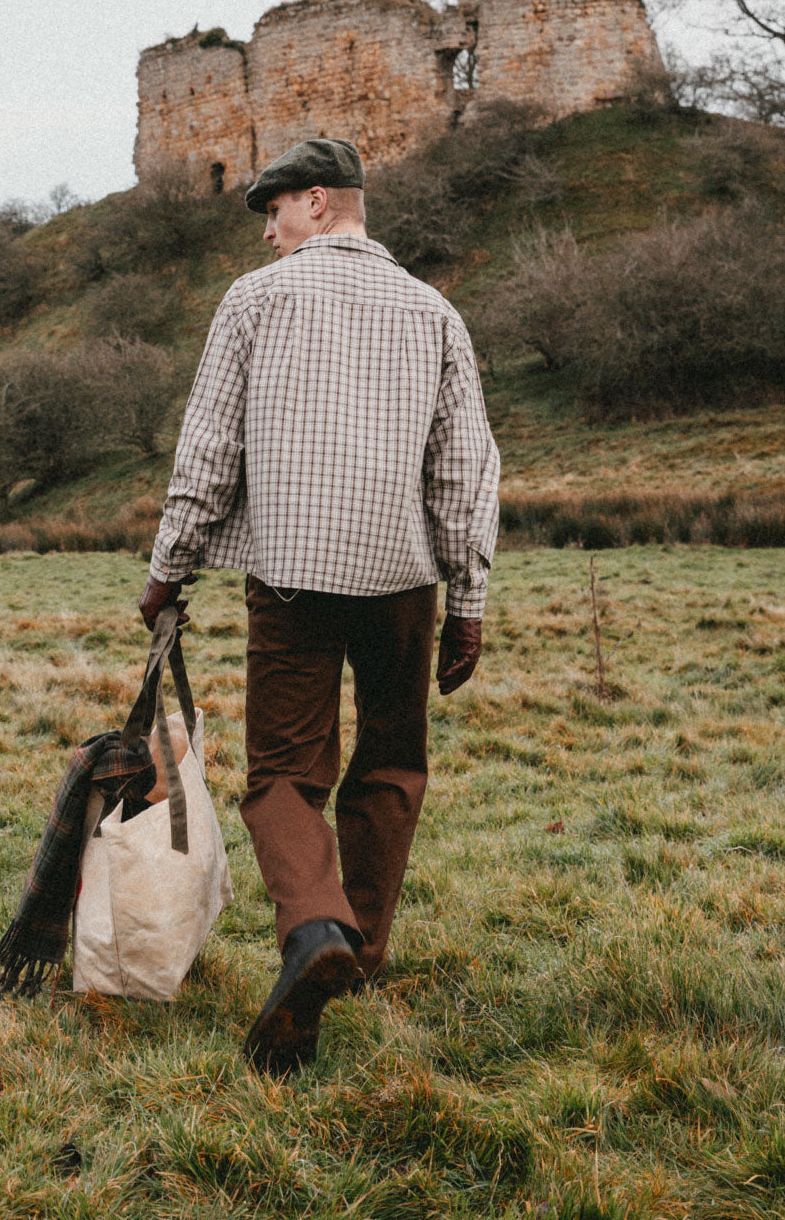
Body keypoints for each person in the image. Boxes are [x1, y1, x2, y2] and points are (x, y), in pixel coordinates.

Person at [140, 138, 499, 1074]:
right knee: (390, 763)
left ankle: (313, 933)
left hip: (292, 577)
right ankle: (358, 954)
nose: (266, 234)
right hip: (404, 581)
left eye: (274, 213)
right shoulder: (436, 313)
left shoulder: (255, 301)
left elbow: (209, 446)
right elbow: (464, 467)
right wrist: (469, 600)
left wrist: (169, 567)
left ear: (318, 202)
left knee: (284, 776)